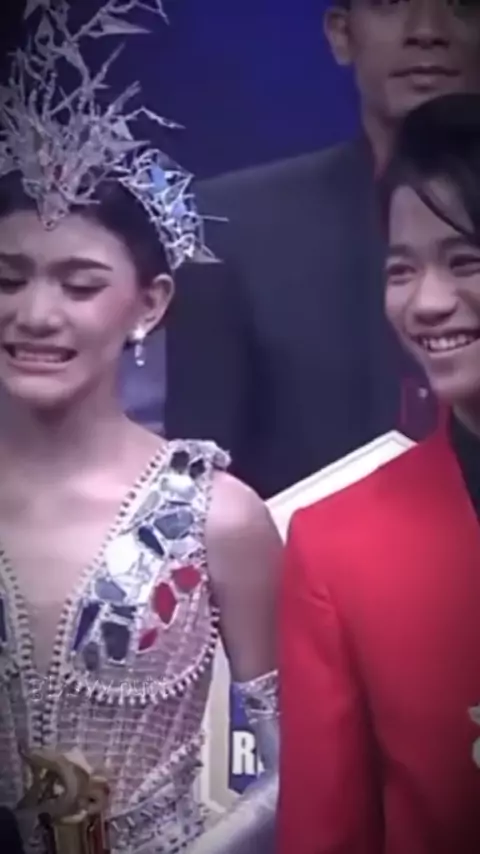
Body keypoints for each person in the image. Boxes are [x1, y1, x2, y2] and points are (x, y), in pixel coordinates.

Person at [0, 2, 281, 852]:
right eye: (8, 278)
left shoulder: (213, 517)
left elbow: (297, 767)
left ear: (148, 305)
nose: (35, 314)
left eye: (80, 285)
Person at [165, 0, 480, 498]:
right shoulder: (230, 226)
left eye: (460, 5)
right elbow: (198, 483)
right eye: (389, 3)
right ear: (340, 32)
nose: (425, 31)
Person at [278, 91, 480, 854]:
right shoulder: (338, 545)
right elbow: (326, 834)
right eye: (401, 270)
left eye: (466, 261)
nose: (426, 303)